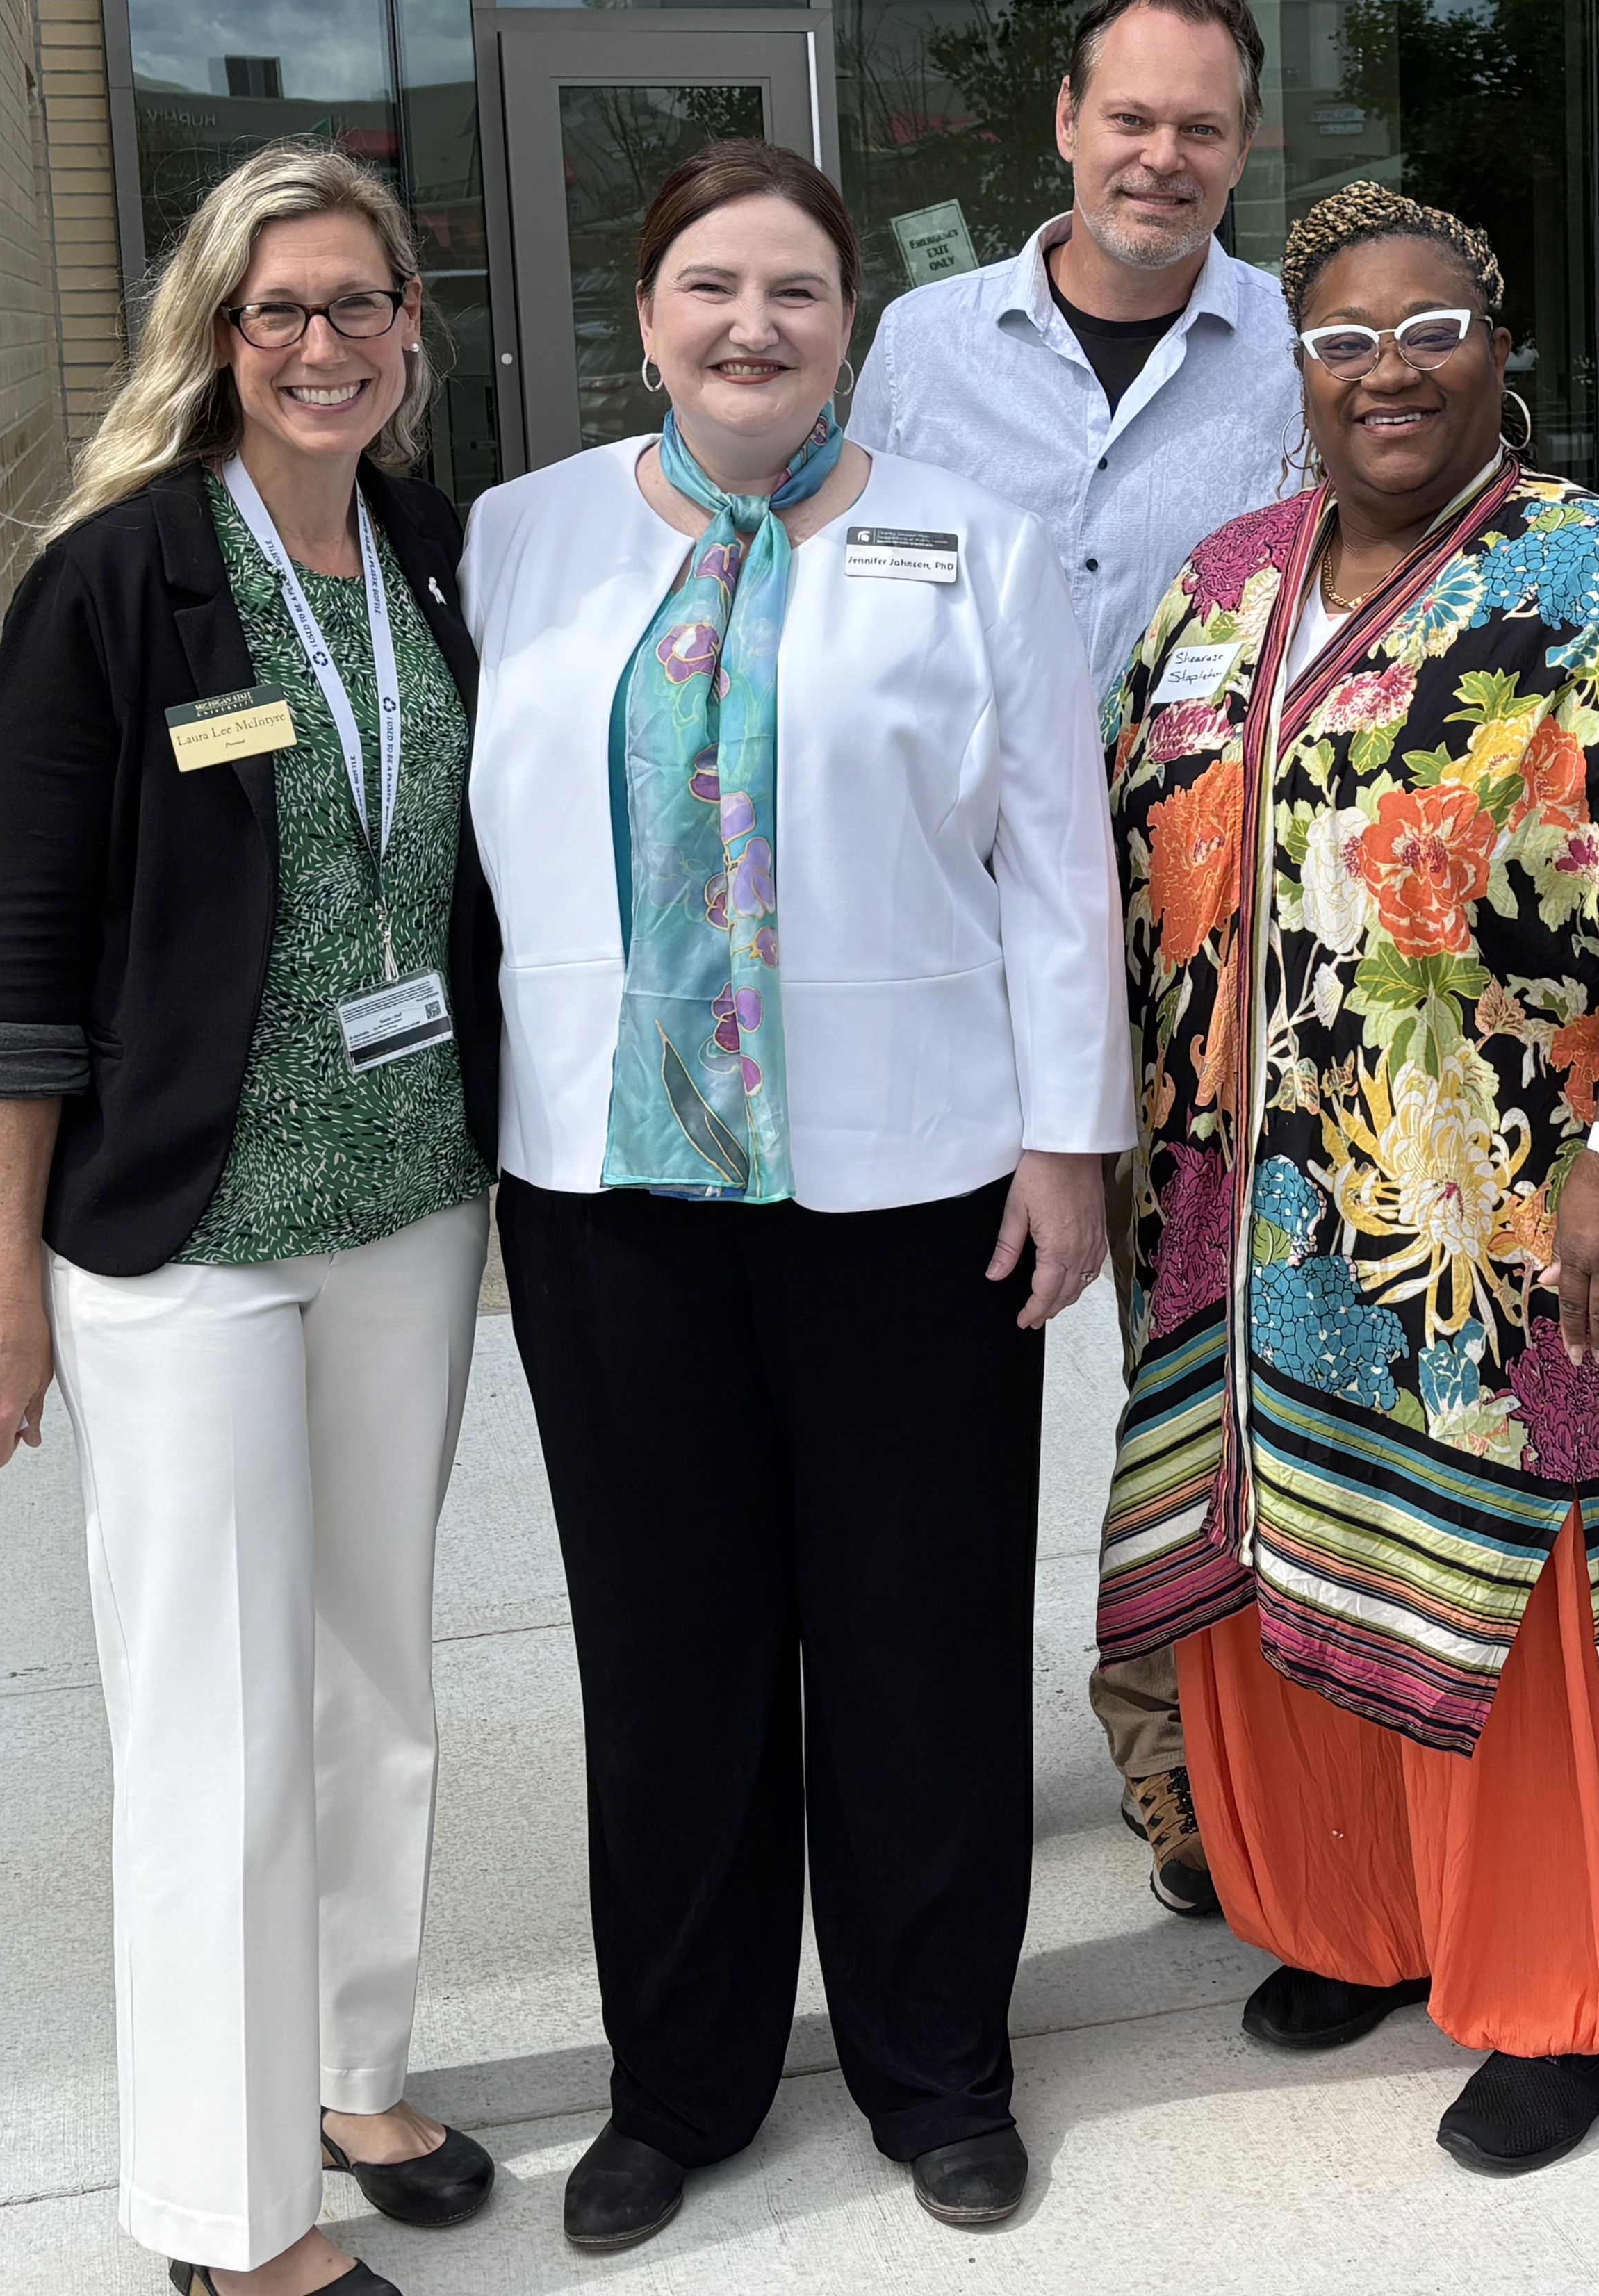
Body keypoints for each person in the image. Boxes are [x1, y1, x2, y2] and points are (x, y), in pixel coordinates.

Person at [462, 139, 1131, 2250]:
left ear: (854, 325)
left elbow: (1058, 867)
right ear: (644, 314)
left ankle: (938, 2066)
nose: (752, 325)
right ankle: (681, 2084)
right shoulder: (514, 537)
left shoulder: (981, 541)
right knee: (669, 1653)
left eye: (796, 292)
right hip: (611, 1192)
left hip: (920, 1186)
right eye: (709, 287)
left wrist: (1068, 1143)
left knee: (918, 1641)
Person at [1097, 181, 1599, 2175]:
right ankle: (1354, 1923)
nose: (1383, 370)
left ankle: (1569, 2000)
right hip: (1247, 1216)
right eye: (1339, 339)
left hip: (1522, 1216)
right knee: (1281, 1564)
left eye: (1426, 329)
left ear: (1501, 355)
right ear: (1292, 379)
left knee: (1537, 1591)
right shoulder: (1219, 582)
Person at [0, 140, 500, 2296]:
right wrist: (3, 1284)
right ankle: (222, 2214)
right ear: (215, 331)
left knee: (374, 1679)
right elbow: (26, 962)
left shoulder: (435, 556)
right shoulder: (115, 583)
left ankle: (353, 2071)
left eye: (362, 304)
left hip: (407, 1205)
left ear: (408, 335)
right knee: (215, 1718)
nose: (325, 343)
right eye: (282, 310)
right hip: (179, 1237)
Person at [851, 0, 1299, 1920]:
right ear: (1062, 120)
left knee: (1203, 1361)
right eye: (1132, 117)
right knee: (945, 1383)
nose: (1162, 157)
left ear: (1243, 147)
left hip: (1220, 959)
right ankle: (918, 1743)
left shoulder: (1299, 349)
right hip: (962, 954)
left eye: (1200, 127)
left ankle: (1188, 1758)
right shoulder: (920, 347)